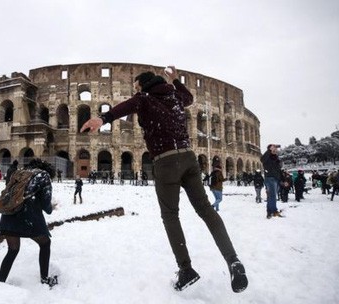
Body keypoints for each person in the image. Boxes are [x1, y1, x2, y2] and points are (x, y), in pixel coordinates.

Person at [80, 66, 247, 293]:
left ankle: (186, 269)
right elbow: (188, 97)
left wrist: (103, 118)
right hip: (189, 158)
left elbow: (125, 107)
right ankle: (233, 260)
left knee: (170, 215)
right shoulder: (174, 96)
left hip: (165, 160)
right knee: (206, 209)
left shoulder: (144, 98)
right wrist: (176, 80)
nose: (136, 90)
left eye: (137, 87)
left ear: (143, 86)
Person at [0, 158, 58, 287]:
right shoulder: (43, 175)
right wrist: (51, 207)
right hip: (27, 216)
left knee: (12, 250)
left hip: (8, 214)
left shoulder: (20, 173)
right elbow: (47, 206)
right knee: (45, 243)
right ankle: (44, 279)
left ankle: (0, 283)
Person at [261, 144, 284, 218]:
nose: (275, 150)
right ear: (270, 150)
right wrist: (269, 150)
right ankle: (273, 211)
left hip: (276, 179)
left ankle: (270, 211)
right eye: (273, 149)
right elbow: (262, 159)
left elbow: (279, 170)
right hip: (270, 178)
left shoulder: (276, 158)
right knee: (273, 196)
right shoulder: (267, 158)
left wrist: (282, 179)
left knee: (271, 196)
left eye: (276, 149)